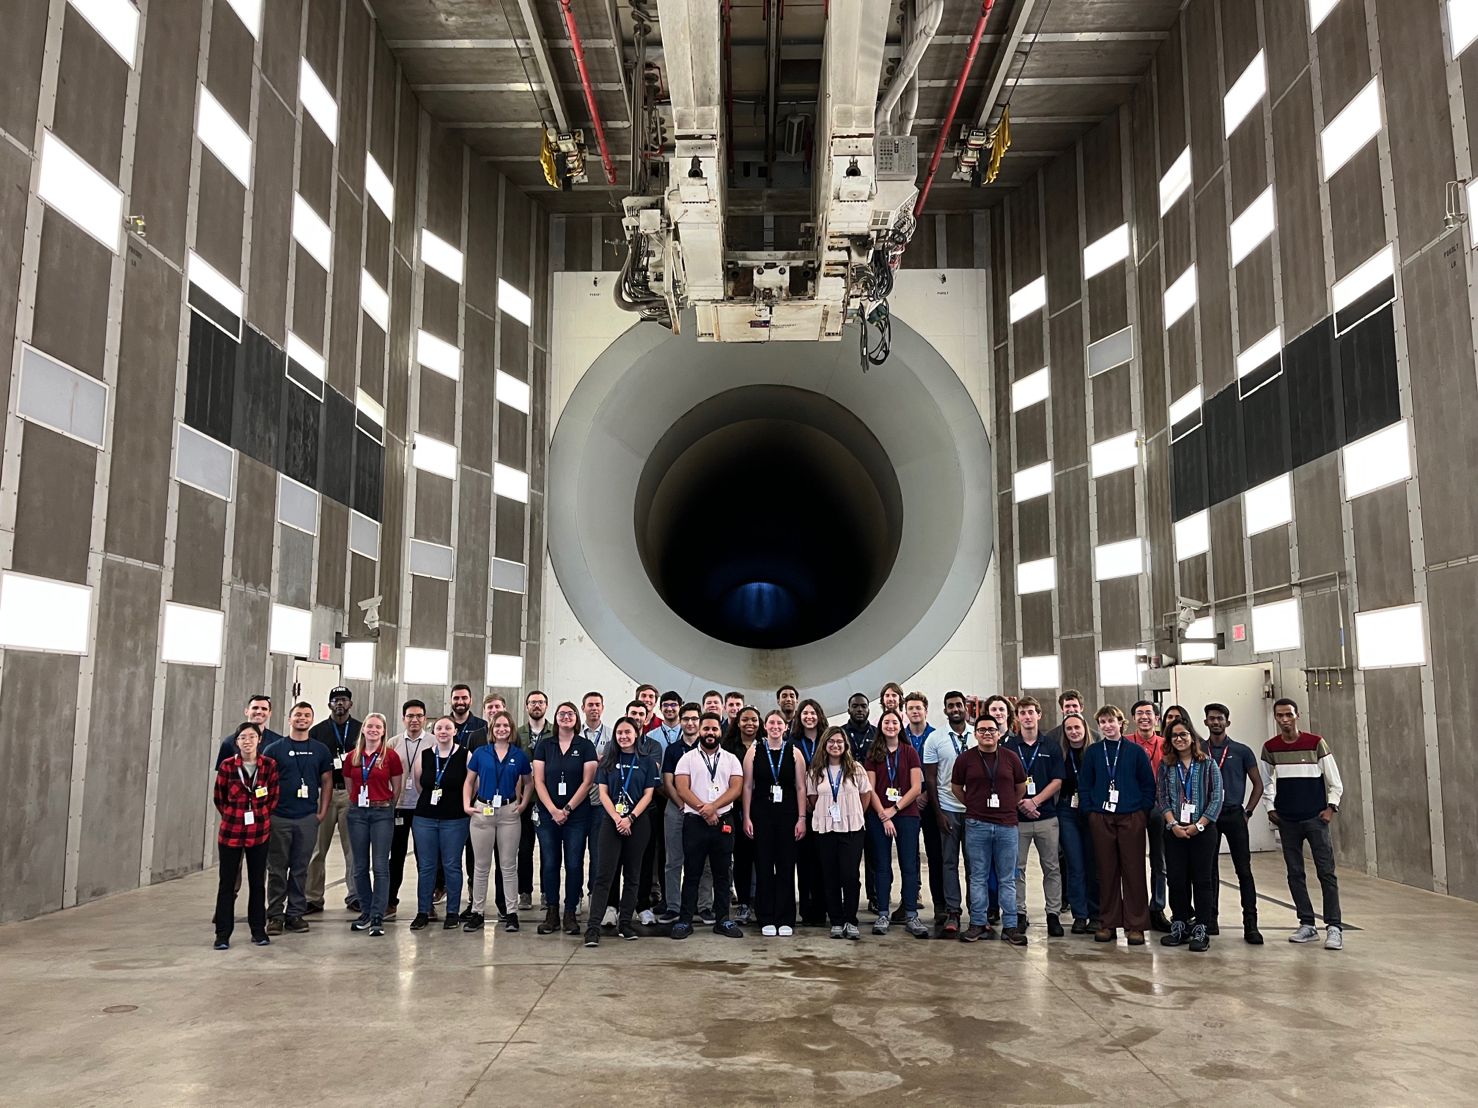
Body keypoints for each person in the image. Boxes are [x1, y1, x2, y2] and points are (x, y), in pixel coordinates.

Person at [1262, 697, 1345, 950]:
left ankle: (1334, 927)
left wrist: (1330, 808)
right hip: (1288, 821)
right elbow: (1266, 781)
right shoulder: (1270, 747)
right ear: (1275, 718)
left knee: (1326, 872)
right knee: (1295, 873)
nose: (1284, 719)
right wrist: (1271, 808)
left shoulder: (1315, 743)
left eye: (1289, 714)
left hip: (1315, 819)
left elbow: (1335, 781)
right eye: (1280, 715)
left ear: (1297, 715)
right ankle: (1307, 924)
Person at [1079, 705, 1157, 945]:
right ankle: (1108, 922)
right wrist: (1091, 811)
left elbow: (1148, 785)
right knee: (1106, 871)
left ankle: (1136, 926)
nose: (1107, 725)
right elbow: (1085, 783)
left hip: (1131, 816)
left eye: (1111, 721)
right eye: (1102, 722)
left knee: (1133, 871)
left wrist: (1141, 812)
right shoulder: (1093, 752)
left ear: (1121, 723)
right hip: (1102, 816)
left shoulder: (1135, 752)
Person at [951, 714, 1028, 944]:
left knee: (1007, 878)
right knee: (978, 877)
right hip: (977, 824)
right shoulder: (965, 759)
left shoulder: (1011, 758)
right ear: (975, 734)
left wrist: (1007, 805)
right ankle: (977, 923)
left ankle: (1011, 926)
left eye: (991, 730)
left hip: (1006, 825)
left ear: (999, 733)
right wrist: (973, 805)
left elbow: (1020, 787)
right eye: (982, 730)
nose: (987, 733)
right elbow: (956, 787)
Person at [583, 717, 660, 946]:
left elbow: (648, 794)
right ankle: (593, 928)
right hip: (612, 821)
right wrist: (618, 818)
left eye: (627, 732)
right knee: (604, 875)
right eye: (619, 733)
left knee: (633, 875)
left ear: (636, 734)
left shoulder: (646, 762)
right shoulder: (608, 760)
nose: (623, 736)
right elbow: (603, 793)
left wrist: (631, 818)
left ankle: (625, 923)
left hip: (638, 822)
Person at [670, 712, 745, 939]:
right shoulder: (687, 758)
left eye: (714, 729)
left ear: (720, 731)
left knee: (723, 873)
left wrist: (713, 808)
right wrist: (704, 810)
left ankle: (723, 919)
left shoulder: (731, 758)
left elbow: (736, 788)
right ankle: (685, 921)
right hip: (695, 823)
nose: (710, 733)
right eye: (706, 729)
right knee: (692, 872)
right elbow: (682, 788)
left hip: (724, 822)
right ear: (699, 731)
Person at [263, 702, 333, 936]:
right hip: (279, 818)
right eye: (298, 715)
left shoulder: (320, 750)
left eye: (307, 715)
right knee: (276, 869)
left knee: (301, 869)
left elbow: (326, 782)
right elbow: (263, 783)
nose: (302, 718)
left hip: (307, 818)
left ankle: (295, 914)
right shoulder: (274, 749)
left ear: (312, 720)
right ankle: (274, 915)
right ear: (289, 718)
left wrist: (321, 813)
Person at [1156, 717, 1224, 952]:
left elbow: (1216, 798)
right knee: (1176, 880)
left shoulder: (1208, 764)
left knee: (1202, 880)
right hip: (1174, 831)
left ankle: (1202, 928)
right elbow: (1162, 797)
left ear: (1192, 737)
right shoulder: (1166, 765)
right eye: (1174, 736)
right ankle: (1180, 925)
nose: (1179, 739)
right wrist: (1173, 824)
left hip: (1203, 832)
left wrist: (1200, 825)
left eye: (1183, 734)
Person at [464, 709, 532, 933]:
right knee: (481, 866)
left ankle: (511, 913)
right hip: (484, 811)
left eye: (506, 726)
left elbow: (528, 782)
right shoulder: (481, 753)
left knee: (508, 865)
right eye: (497, 726)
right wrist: (467, 803)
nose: (502, 729)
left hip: (509, 812)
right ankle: (477, 912)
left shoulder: (519, 755)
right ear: (491, 730)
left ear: (511, 730)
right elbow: (469, 781)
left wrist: (522, 803)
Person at [212, 722, 279, 949]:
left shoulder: (269, 765)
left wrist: (260, 816)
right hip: (231, 832)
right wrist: (235, 815)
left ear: (259, 740)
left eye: (252, 736)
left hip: (259, 832)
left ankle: (258, 930)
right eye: (243, 737)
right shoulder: (227, 766)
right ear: (236, 741)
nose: (247, 741)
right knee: (227, 884)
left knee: (258, 882)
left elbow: (273, 797)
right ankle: (222, 934)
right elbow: (219, 798)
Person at [1004, 695, 1066, 937]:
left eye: (1031, 712)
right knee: (1016, 869)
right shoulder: (1009, 747)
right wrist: (1021, 803)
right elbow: (1004, 781)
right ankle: (1019, 913)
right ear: (1017, 718)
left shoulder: (1050, 745)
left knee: (1051, 867)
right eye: (1023, 713)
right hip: (1017, 820)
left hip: (1046, 817)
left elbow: (1058, 780)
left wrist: (1035, 801)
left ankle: (1053, 914)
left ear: (1038, 715)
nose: (1027, 717)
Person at [532, 705, 597, 935]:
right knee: (550, 863)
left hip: (577, 815)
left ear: (576, 719)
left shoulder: (585, 746)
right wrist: (553, 809)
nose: (566, 717)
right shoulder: (544, 745)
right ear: (556, 719)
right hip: (548, 815)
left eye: (570, 714)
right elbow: (538, 781)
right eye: (562, 714)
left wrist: (567, 809)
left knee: (573, 863)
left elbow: (588, 782)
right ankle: (552, 911)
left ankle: (570, 912)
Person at [1204, 702, 1265, 943]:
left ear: (1227, 722)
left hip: (1234, 814)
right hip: (1208, 816)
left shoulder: (1241, 750)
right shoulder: (1200, 749)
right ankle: (1210, 919)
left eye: (1220, 718)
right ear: (1206, 722)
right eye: (1212, 718)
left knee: (1244, 870)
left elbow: (1258, 783)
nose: (1216, 722)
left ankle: (1250, 924)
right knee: (1209, 869)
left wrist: (1247, 812)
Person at [743, 711, 808, 936]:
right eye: (771, 722)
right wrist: (747, 817)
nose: (775, 726)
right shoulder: (754, 751)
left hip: (788, 816)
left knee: (786, 866)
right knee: (763, 866)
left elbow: (801, 787)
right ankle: (766, 917)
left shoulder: (795, 752)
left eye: (779, 723)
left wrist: (802, 818)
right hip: (761, 815)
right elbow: (747, 786)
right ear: (765, 726)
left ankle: (785, 917)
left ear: (785, 727)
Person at [865, 709, 927, 938]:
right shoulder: (873, 753)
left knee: (909, 865)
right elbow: (869, 788)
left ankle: (911, 913)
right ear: (880, 726)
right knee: (881, 865)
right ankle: (883, 912)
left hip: (906, 815)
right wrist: (883, 814)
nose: (890, 725)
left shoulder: (910, 752)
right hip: (879, 815)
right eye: (886, 722)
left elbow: (916, 788)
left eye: (894, 722)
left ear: (900, 726)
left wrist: (895, 809)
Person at [806, 726, 871, 940]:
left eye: (839, 742)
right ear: (825, 744)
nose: (835, 745)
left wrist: (853, 813)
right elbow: (813, 799)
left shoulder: (856, 769)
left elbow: (865, 795)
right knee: (830, 875)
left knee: (850, 876)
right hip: (825, 830)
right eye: (831, 742)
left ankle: (850, 920)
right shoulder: (815, 771)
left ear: (845, 746)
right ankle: (835, 920)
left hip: (851, 830)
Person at [344, 712, 402, 937]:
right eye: (370, 726)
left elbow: (396, 787)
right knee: (359, 866)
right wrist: (360, 802)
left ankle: (378, 914)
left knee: (380, 865)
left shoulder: (391, 756)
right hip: (357, 813)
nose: (373, 730)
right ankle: (366, 911)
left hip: (381, 813)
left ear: (384, 731)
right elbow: (350, 786)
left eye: (378, 726)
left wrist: (385, 804)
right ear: (364, 729)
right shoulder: (352, 757)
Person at [410, 717, 471, 931]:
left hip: (454, 819)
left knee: (452, 866)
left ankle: (452, 912)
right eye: (439, 728)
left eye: (447, 728)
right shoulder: (425, 755)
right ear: (433, 731)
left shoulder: (465, 755)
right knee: (426, 867)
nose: (443, 731)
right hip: (425, 818)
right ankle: (423, 911)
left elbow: (472, 785)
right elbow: (420, 784)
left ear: (455, 731)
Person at [306, 686, 359, 914]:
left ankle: (356, 895)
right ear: (329, 705)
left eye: (344, 700)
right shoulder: (317, 732)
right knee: (317, 849)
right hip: (324, 793)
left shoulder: (360, 730)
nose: (340, 703)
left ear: (350, 704)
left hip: (352, 793)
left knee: (354, 850)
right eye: (335, 700)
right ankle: (313, 897)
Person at [923, 692, 972, 936]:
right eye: (950, 705)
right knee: (949, 862)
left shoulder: (978, 736)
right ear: (944, 710)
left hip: (975, 811)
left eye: (958, 705)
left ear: (965, 708)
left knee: (976, 865)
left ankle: (978, 912)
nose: (955, 709)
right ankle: (953, 910)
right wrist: (938, 812)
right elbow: (930, 779)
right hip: (948, 809)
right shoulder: (935, 738)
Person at [660, 703, 713, 926]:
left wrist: (701, 807)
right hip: (677, 808)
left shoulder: (710, 749)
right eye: (686, 719)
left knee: (706, 861)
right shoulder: (673, 749)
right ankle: (673, 906)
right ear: (680, 722)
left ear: (700, 723)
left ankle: (704, 906)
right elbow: (668, 782)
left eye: (694, 719)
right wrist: (682, 804)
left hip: (704, 809)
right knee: (674, 860)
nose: (690, 723)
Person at [900, 691, 944, 925]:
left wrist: (926, 794)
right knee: (908, 856)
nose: (915, 712)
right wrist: (911, 796)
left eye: (919, 708)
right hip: (907, 805)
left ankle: (940, 904)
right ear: (905, 713)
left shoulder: (937, 737)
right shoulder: (899, 737)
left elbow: (942, 772)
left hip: (930, 802)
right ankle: (907, 901)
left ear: (926, 710)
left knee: (935, 855)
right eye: (911, 708)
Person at [388, 700, 432, 921]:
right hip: (399, 807)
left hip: (424, 809)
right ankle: (390, 900)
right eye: (410, 716)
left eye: (419, 716)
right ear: (404, 718)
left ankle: (427, 904)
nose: (415, 720)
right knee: (395, 856)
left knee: (426, 858)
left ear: (425, 718)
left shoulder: (433, 742)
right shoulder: (393, 743)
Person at [1057, 712, 1100, 934]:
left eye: (1077, 727)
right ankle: (1079, 915)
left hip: (1092, 809)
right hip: (1068, 811)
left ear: (1085, 728)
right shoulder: (1061, 754)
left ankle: (1096, 914)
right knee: (1075, 865)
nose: (1074, 732)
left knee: (1093, 864)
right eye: (1069, 728)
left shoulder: (1096, 752)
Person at [1129, 700, 1170, 931]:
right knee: (1132, 861)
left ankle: (1157, 908)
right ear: (1134, 718)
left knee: (1159, 861)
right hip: (1133, 809)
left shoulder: (1166, 745)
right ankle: (1135, 909)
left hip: (1160, 809)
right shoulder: (1126, 743)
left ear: (1157, 718)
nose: (1144, 717)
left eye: (1149, 713)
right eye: (1139, 713)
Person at [789, 698, 828, 927]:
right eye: (805, 713)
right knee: (804, 862)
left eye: (813, 713)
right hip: (800, 806)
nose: (809, 717)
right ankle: (805, 910)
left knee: (823, 862)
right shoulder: (792, 741)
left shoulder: (827, 739)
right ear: (799, 717)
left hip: (825, 805)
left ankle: (822, 909)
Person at [514, 690, 552, 913]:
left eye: (540, 702)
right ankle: (525, 892)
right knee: (524, 848)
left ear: (546, 706)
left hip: (547, 801)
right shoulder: (518, 733)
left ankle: (547, 891)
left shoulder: (554, 732)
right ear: (526, 706)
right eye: (532, 702)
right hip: (524, 801)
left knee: (548, 849)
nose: (536, 706)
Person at [722, 706, 761, 923]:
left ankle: (760, 900)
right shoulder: (727, 747)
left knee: (762, 856)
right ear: (737, 723)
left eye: (754, 720)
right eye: (745, 719)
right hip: (735, 808)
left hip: (763, 809)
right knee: (742, 857)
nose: (750, 723)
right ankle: (744, 902)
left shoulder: (767, 745)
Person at [215, 694, 283, 768]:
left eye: (264, 709)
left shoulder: (279, 742)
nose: (259, 711)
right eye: (255, 708)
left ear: (270, 713)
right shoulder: (229, 742)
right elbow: (222, 775)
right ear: (246, 711)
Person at [449, 683, 486, 747]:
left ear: (471, 701)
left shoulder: (483, 725)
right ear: (450, 701)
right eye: (456, 698)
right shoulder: (441, 726)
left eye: (464, 698)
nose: (460, 702)